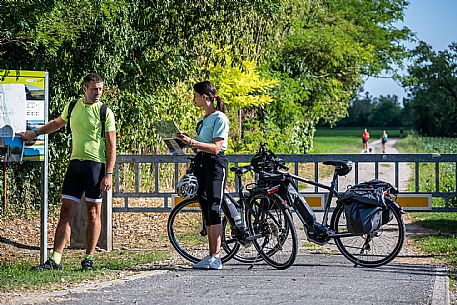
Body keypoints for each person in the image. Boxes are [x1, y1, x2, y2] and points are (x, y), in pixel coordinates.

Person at [19, 73, 116, 271]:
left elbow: (111, 145)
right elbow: (57, 123)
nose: (98, 92)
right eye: (94, 88)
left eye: (100, 89)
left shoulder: (105, 111)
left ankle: (89, 258)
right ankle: (55, 259)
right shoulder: (73, 106)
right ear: (84, 88)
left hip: (95, 167)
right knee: (65, 212)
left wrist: (109, 173)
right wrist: (35, 133)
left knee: (93, 213)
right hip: (75, 166)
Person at [176, 81, 229, 270]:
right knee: (206, 208)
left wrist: (192, 141)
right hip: (201, 164)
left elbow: (216, 148)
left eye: (196, 96)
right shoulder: (203, 120)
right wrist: (183, 143)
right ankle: (210, 255)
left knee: (215, 207)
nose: (194, 99)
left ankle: (217, 256)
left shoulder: (219, 118)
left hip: (215, 165)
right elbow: (200, 145)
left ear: (205, 97)